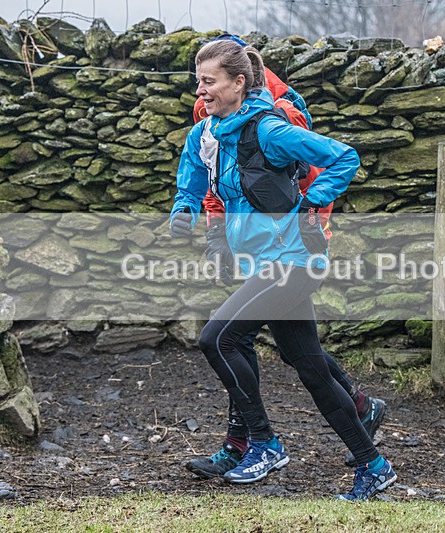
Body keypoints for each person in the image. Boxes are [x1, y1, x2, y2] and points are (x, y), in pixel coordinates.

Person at [169, 39, 396, 500]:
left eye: (209, 82)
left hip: (294, 261)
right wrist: (184, 209)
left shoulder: (269, 130)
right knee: (310, 366)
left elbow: (344, 156)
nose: (201, 91)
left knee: (218, 338)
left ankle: (264, 442)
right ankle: (374, 466)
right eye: (199, 81)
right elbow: (192, 177)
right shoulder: (205, 135)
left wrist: (312, 202)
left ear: (239, 82)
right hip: (264, 263)